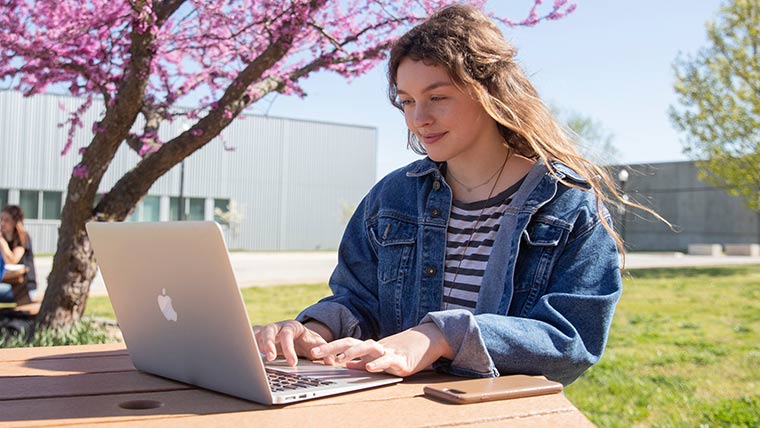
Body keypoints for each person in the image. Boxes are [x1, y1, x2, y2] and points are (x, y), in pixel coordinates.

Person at [254, 5, 632, 385]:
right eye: (406, 101)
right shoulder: (391, 198)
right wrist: (315, 331)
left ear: (490, 93)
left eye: (437, 97)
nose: (419, 118)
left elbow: (573, 339)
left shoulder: (567, 205)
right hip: (388, 408)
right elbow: (358, 300)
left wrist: (441, 337)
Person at [0, 205, 37, 304]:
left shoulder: (23, 238)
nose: (2, 223)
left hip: (23, 288)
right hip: (7, 284)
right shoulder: (3, 237)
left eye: (7, 220)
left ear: (15, 222)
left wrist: (2, 243)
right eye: (1, 219)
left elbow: (11, 262)